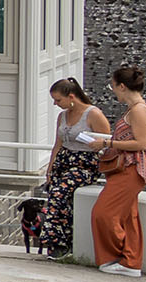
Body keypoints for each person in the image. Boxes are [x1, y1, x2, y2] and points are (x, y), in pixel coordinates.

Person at [37, 76, 109, 259]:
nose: (55, 104)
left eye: (58, 100)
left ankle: (60, 242)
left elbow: (107, 142)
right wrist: (50, 169)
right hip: (64, 160)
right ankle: (60, 240)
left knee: (60, 193)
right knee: (55, 191)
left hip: (84, 163)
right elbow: (58, 144)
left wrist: (97, 146)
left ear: (71, 97)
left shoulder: (93, 114)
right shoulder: (62, 116)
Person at [93, 64, 146, 277]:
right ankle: (130, 262)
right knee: (128, 217)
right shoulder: (135, 109)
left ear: (121, 86)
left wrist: (108, 144)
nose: (113, 91)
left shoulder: (138, 110)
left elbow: (140, 143)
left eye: (113, 87)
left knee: (103, 213)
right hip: (129, 168)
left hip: (131, 168)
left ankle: (117, 256)